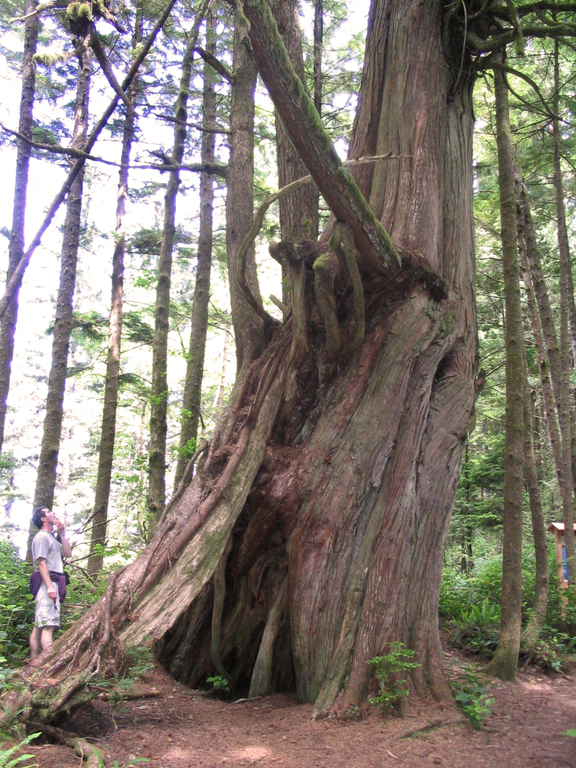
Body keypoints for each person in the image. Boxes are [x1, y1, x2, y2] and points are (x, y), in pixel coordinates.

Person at [29, 506, 72, 658]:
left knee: (40, 626)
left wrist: (62, 534)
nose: (53, 513)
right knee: (49, 626)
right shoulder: (41, 537)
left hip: (50, 583)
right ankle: (49, 663)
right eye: (49, 512)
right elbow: (41, 563)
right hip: (48, 583)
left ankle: (34, 662)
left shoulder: (51, 538)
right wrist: (49, 587)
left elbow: (67, 553)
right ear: (43, 519)